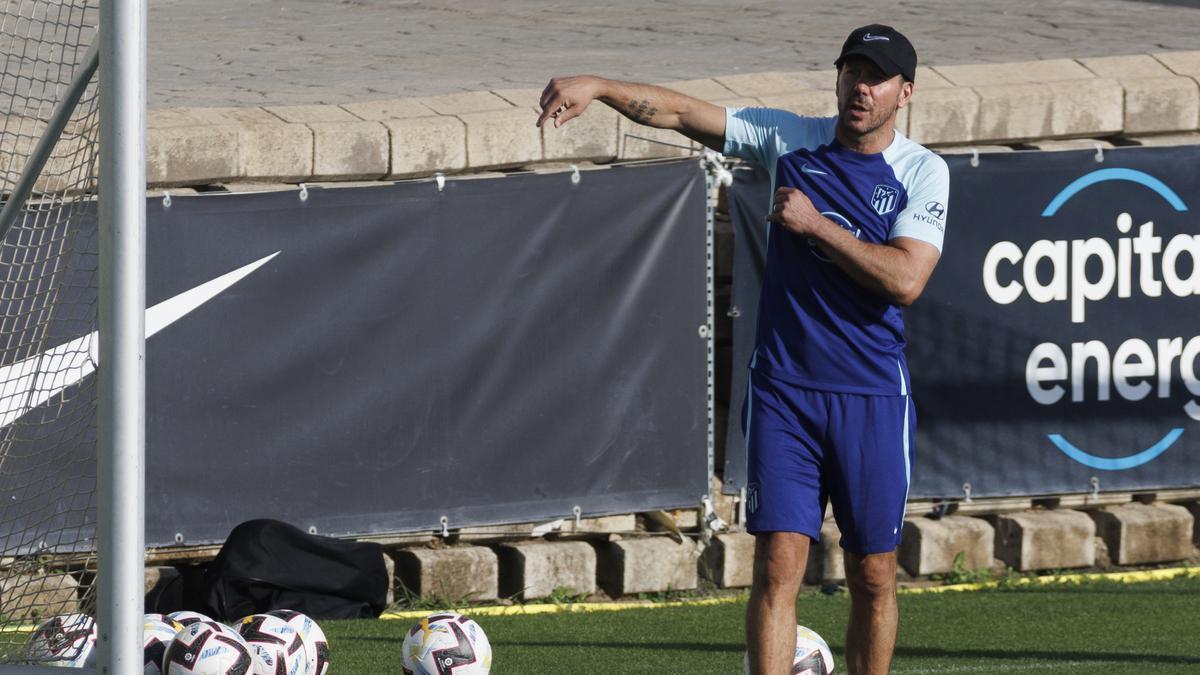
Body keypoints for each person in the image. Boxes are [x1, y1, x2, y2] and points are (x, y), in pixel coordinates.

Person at [538, 23, 948, 675]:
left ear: (906, 93)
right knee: (777, 565)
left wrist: (815, 226)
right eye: (852, 72)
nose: (860, 88)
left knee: (872, 574)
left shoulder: (922, 173)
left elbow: (905, 279)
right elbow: (681, 112)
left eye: (876, 77)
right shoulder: (791, 141)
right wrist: (600, 86)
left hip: (871, 398)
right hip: (785, 392)